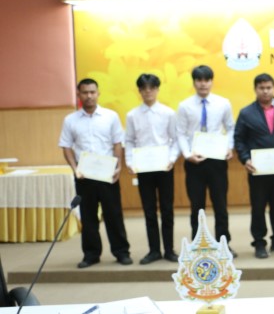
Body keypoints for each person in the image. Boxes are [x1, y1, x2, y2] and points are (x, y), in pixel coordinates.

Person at [59, 78, 132, 268]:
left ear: (98, 93)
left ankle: (121, 252)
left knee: (114, 215)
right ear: (79, 95)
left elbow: (117, 143)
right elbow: (66, 146)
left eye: (92, 92)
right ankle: (91, 255)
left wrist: (118, 166)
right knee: (88, 216)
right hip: (84, 176)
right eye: (85, 92)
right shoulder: (70, 120)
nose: (89, 96)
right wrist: (75, 169)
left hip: (108, 175)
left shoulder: (110, 116)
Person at [234, 73, 274, 258]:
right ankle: (259, 243)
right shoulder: (246, 113)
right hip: (257, 170)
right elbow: (239, 139)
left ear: (273, 88)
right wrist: (245, 159)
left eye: (268, 87)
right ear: (255, 89)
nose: (265, 91)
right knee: (258, 207)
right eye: (261, 88)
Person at [176, 65, 237, 254]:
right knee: (197, 206)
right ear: (194, 82)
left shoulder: (223, 103)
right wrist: (188, 155)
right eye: (199, 80)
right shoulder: (184, 106)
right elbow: (180, 133)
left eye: (207, 80)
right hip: (194, 162)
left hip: (217, 160)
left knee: (220, 205)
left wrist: (229, 147)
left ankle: (224, 244)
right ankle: (198, 244)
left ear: (211, 81)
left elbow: (230, 127)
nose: (203, 84)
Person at [124, 73, 180, 264]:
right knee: (149, 210)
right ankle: (154, 250)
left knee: (167, 209)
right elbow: (129, 141)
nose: (148, 92)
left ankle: (169, 250)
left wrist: (171, 159)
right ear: (139, 91)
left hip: (164, 167)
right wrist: (130, 162)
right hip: (144, 167)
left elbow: (175, 139)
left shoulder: (168, 113)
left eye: (152, 88)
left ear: (157, 90)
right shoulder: (132, 115)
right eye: (144, 88)